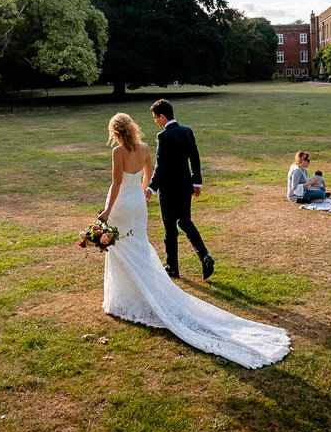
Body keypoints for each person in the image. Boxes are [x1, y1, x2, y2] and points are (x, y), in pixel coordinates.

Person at [98, 112, 291, 369]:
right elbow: (148, 175)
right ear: (131, 128)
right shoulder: (145, 147)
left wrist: (107, 211)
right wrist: (142, 191)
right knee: (140, 246)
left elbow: (115, 183)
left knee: (122, 246)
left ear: (116, 132)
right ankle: (145, 288)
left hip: (122, 203)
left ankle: (127, 296)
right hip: (138, 204)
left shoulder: (118, 153)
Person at [146, 99, 213, 280]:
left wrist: (151, 188)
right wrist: (196, 183)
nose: (155, 121)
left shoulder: (163, 136)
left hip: (168, 190)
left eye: (155, 118)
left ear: (163, 116)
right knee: (185, 221)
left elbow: (160, 167)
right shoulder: (187, 131)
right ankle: (205, 255)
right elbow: (195, 159)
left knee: (170, 228)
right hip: (185, 186)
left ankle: (172, 268)